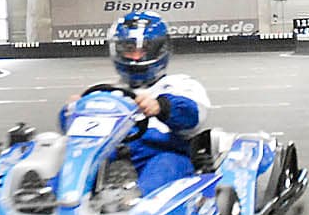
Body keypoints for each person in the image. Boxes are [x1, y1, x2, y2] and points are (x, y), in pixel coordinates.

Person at [63, 11, 210, 195]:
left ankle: (135, 200)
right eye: (129, 49)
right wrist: (73, 110)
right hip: (109, 157)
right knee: (72, 159)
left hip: (159, 154)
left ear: (160, 50)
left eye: (143, 49)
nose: (135, 57)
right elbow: (74, 133)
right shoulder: (104, 91)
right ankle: (51, 197)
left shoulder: (179, 85)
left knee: (165, 166)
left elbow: (193, 117)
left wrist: (161, 107)